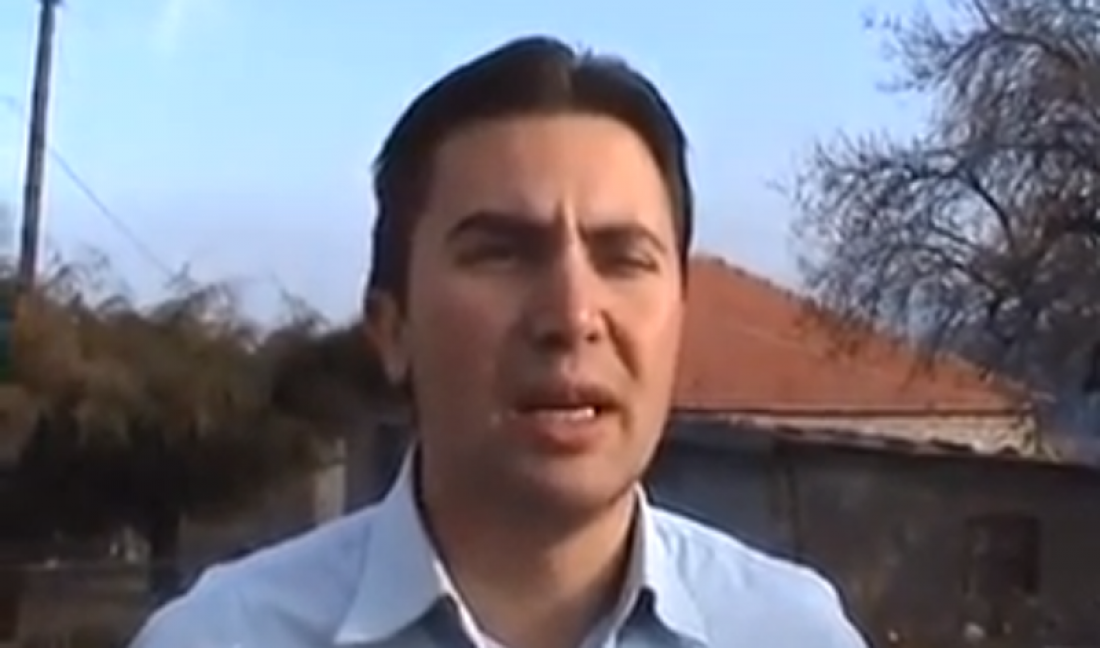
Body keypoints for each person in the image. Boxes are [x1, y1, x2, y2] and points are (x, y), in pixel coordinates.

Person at [129, 35, 868, 648]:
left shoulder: (790, 632)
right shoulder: (223, 636)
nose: (573, 314)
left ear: (679, 313)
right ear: (392, 328)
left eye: (622, 258)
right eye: (502, 254)